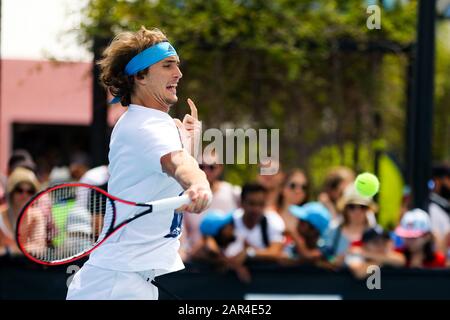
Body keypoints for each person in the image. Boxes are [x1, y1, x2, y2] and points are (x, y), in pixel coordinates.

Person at [66, 27, 212, 300]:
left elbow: (168, 177)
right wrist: (198, 182)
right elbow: (178, 165)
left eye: (177, 66)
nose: (178, 74)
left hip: (131, 280)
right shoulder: (145, 127)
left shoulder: (154, 124)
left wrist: (189, 145)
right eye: (168, 66)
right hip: (114, 284)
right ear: (140, 76)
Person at [182, 151, 241, 259]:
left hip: (231, 262)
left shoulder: (234, 193)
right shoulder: (186, 197)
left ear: (220, 168)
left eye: (211, 167)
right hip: (195, 263)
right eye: (201, 167)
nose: (206, 172)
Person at [224, 183, 285, 262]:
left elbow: (275, 251)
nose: (256, 209)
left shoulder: (273, 221)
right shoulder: (230, 221)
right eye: (252, 204)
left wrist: (249, 253)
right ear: (242, 203)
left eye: (261, 204)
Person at [190, 211, 250, 283]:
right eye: (229, 224)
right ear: (217, 230)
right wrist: (236, 266)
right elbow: (212, 251)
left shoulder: (228, 243)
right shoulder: (207, 244)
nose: (233, 227)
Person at [323, 186, 377, 266]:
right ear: (345, 209)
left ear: (368, 209)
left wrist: (364, 254)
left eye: (362, 207)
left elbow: (395, 259)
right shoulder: (333, 231)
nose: (357, 211)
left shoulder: (376, 233)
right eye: (352, 207)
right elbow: (322, 259)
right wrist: (335, 261)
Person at [0, 167, 44, 257]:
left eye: (30, 191)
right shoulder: (0, 214)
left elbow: (39, 247)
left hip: (26, 269)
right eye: (19, 190)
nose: (24, 195)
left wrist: (8, 250)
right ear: (11, 192)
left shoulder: (36, 216)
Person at [275, 169, 309, 248]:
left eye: (304, 187)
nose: (298, 190)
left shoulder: (309, 222)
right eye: (293, 186)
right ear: (282, 188)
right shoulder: (270, 214)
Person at [428, 163, 450, 256]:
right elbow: (439, 250)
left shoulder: (444, 206)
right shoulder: (433, 208)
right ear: (437, 182)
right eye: (448, 179)